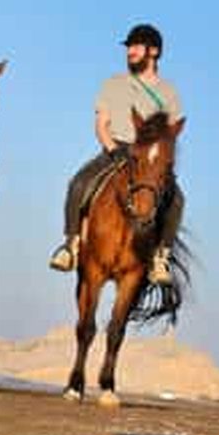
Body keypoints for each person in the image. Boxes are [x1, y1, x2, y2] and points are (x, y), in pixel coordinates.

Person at [49, 23, 185, 283]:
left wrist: (158, 162)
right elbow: (101, 125)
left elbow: (171, 135)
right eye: (129, 47)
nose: (130, 52)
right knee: (78, 184)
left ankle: (161, 258)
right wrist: (113, 150)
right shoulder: (113, 84)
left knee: (177, 200)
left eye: (135, 46)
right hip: (116, 149)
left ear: (153, 51)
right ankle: (71, 245)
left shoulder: (169, 93)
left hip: (150, 159)